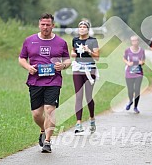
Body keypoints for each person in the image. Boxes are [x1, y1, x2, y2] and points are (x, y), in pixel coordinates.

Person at [18, 13, 71, 153]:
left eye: (48, 25)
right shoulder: (29, 40)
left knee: (50, 110)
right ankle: (43, 129)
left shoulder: (61, 42)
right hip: (35, 80)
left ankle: (47, 141)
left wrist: (63, 66)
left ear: (53, 26)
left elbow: (67, 60)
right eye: (43, 24)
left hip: (54, 80)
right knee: (36, 114)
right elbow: (22, 58)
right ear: (39, 24)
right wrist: (28, 67)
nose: (45, 27)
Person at [71, 20, 100, 134]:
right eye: (80, 27)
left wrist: (89, 51)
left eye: (84, 27)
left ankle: (92, 119)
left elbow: (97, 57)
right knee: (78, 96)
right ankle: (78, 123)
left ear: (88, 29)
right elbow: (72, 52)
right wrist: (76, 52)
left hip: (90, 69)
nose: (82, 29)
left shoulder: (93, 41)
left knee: (88, 97)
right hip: (78, 69)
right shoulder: (75, 40)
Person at [123, 36, 145, 113]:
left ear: (138, 41)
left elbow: (143, 61)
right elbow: (124, 59)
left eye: (136, 40)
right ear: (131, 42)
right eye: (133, 41)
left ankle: (135, 107)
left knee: (137, 90)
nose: (134, 42)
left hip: (138, 73)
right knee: (130, 90)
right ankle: (130, 101)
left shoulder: (142, 50)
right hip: (129, 72)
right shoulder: (127, 50)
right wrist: (128, 63)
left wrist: (141, 63)